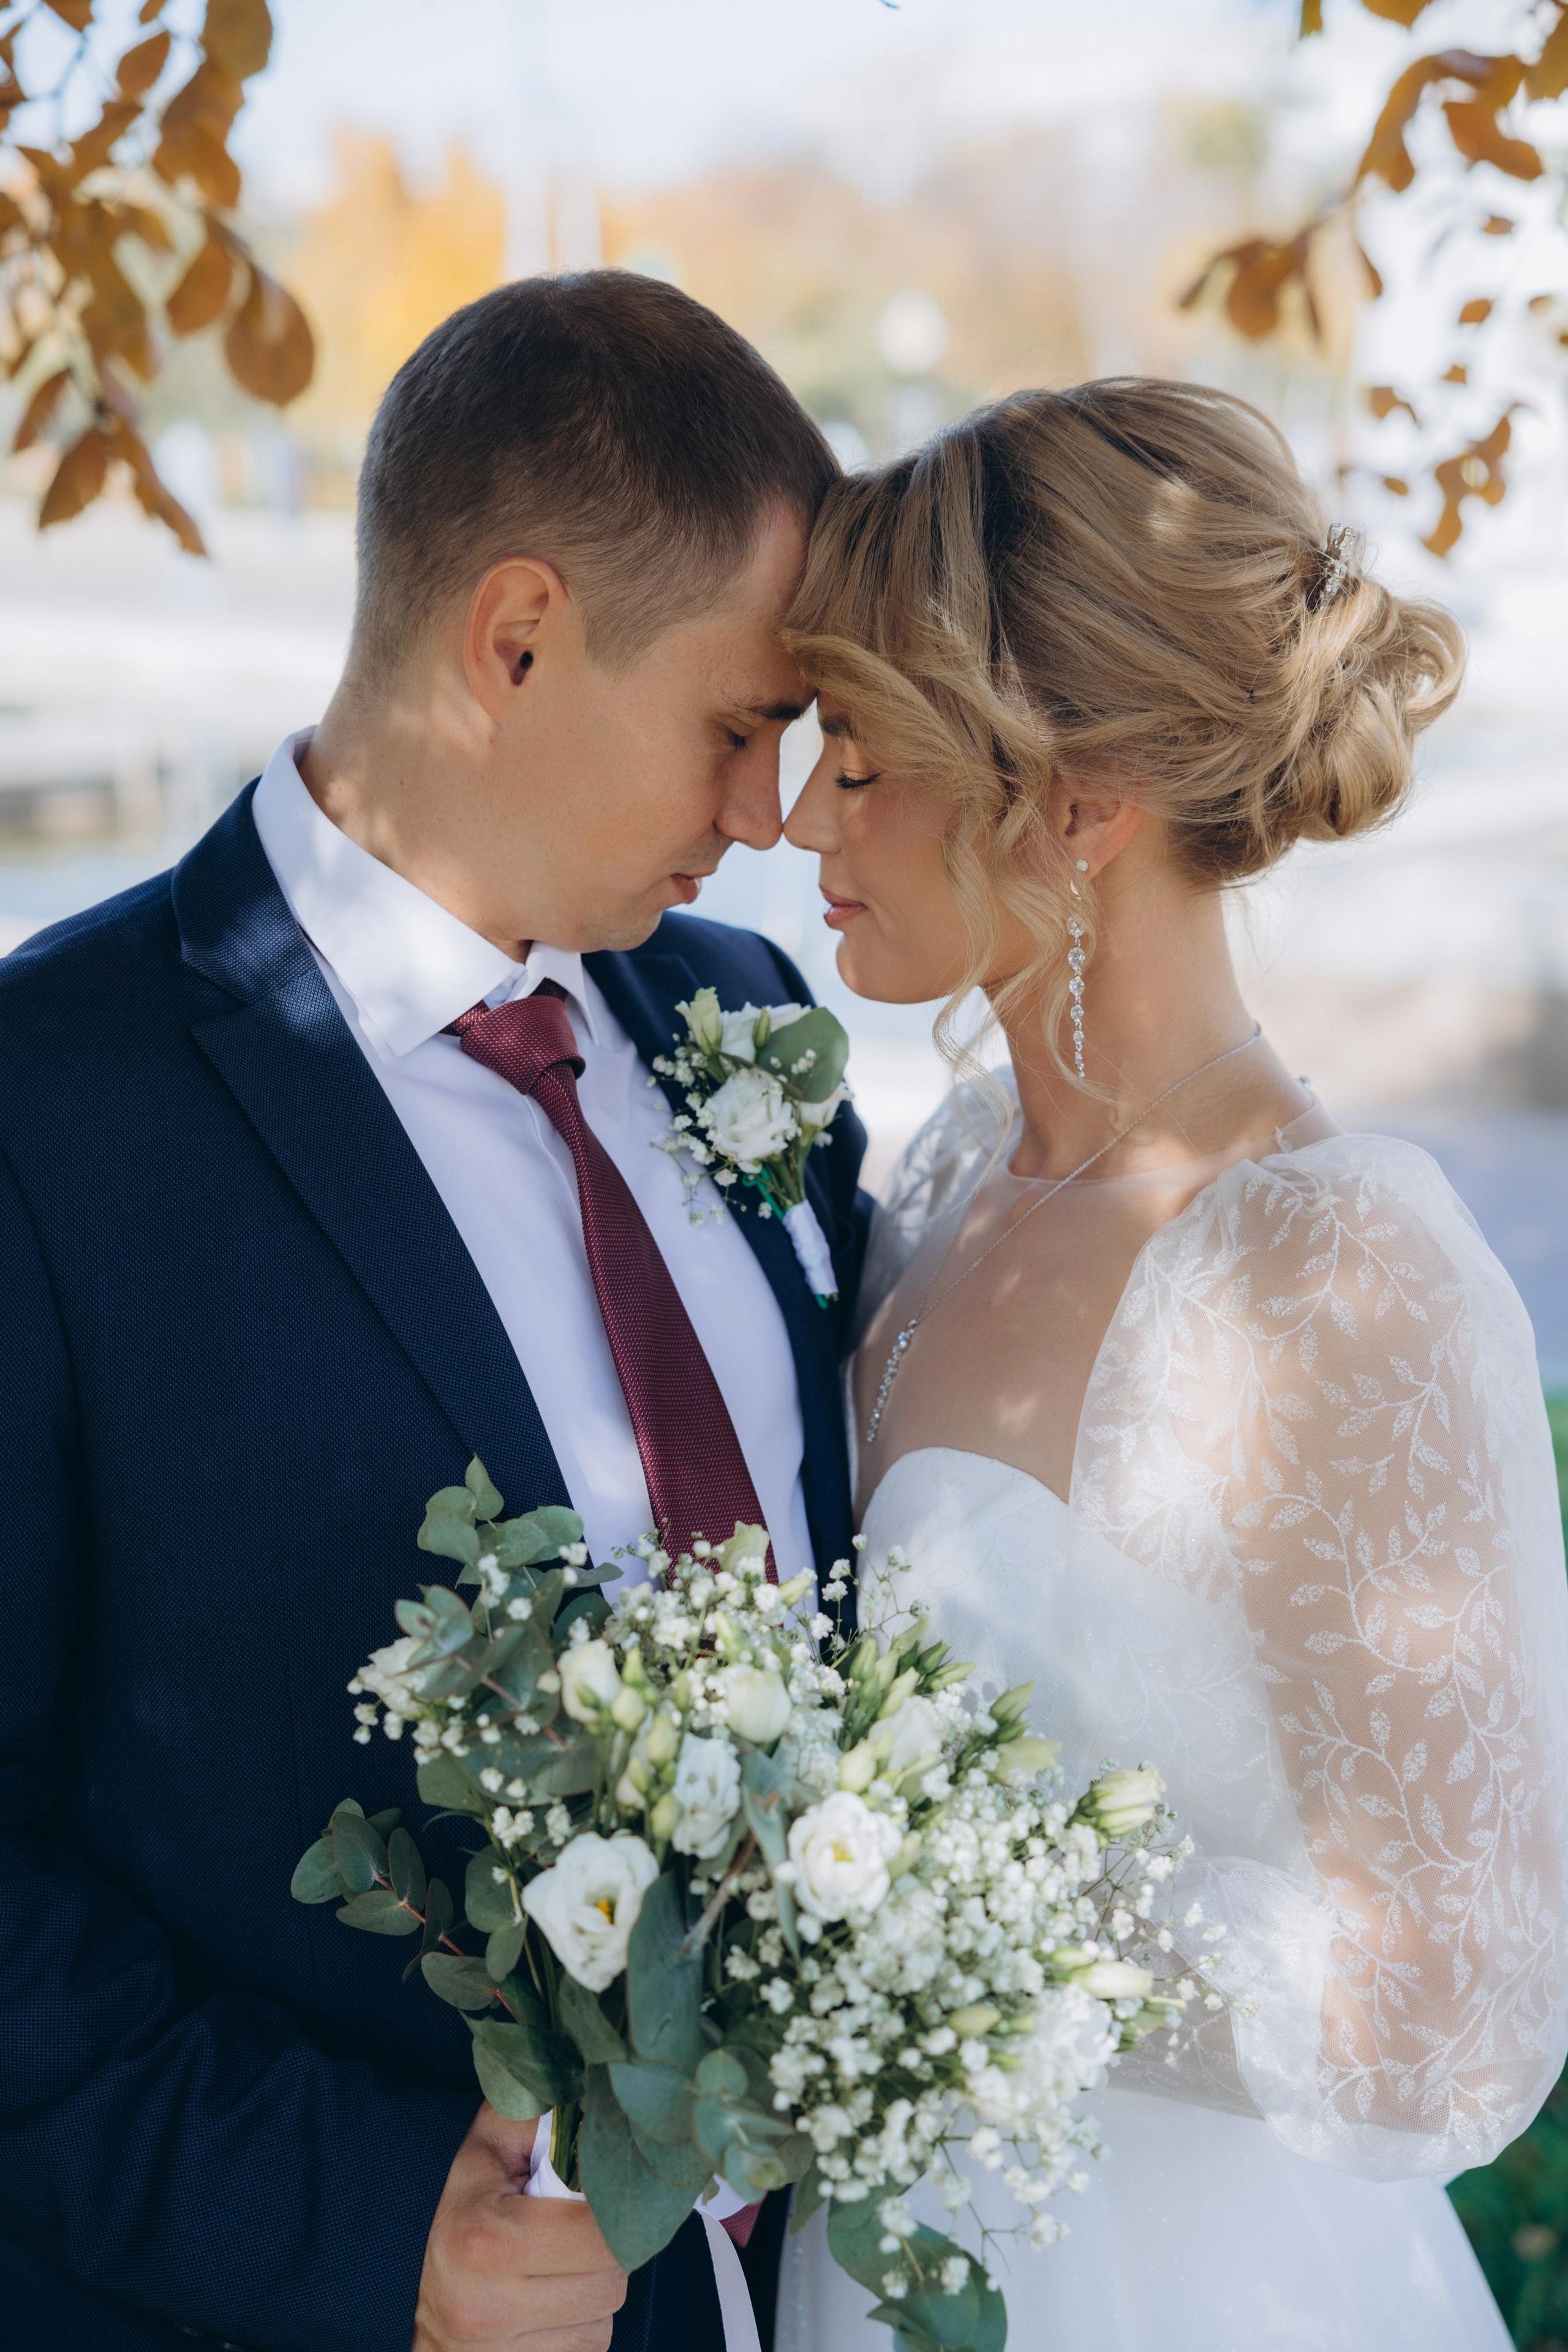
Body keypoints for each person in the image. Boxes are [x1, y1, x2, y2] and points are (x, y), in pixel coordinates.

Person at [0, 273, 869, 2352]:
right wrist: (384, 2225)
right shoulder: (48, 1114)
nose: (767, 814)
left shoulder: (742, 1024)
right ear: (515, 637)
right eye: (738, 727)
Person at [774, 379, 1568, 2350]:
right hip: (862, 2256)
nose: (800, 817)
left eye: (863, 762)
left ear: (1077, 798)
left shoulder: (1336, 1273)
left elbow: (1456, 2013)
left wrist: (907, 1913)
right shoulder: (947, 1173)